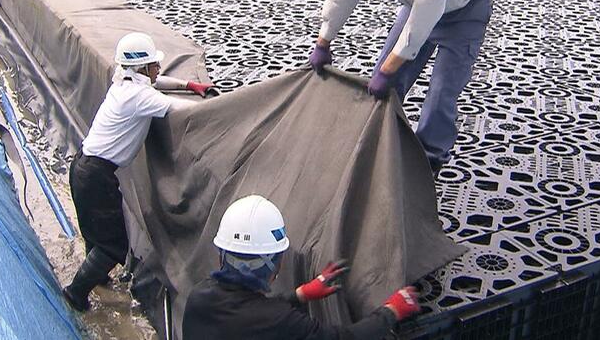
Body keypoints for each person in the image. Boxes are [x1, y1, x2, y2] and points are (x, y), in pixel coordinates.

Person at [309, 0, 494, 175]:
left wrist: (389, 68)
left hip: (464, 6)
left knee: (442, 91)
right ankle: (382, 139)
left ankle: (429, 161)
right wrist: (325, 38)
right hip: (416, 1)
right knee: (388, 79)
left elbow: (428, 8)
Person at [62, 32, 212, 312]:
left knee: (95, 235)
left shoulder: (124, 82)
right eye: (154, 64)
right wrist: (213, 104)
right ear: (141, 68)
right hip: (97, 175)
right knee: (114, 244)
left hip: (83, 165)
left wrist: (189, 83)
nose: (158, 68)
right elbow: (179, 108)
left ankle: (98, 278)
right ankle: (75, 293)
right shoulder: (138, 97)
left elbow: (156, 84)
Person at [182, 194, 422, 339]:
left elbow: (248, 314)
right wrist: (391, 311)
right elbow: (343, 338)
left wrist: (300, 294)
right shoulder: (280, 321)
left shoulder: (199, 297)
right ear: (276, 264)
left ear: (221, 255)